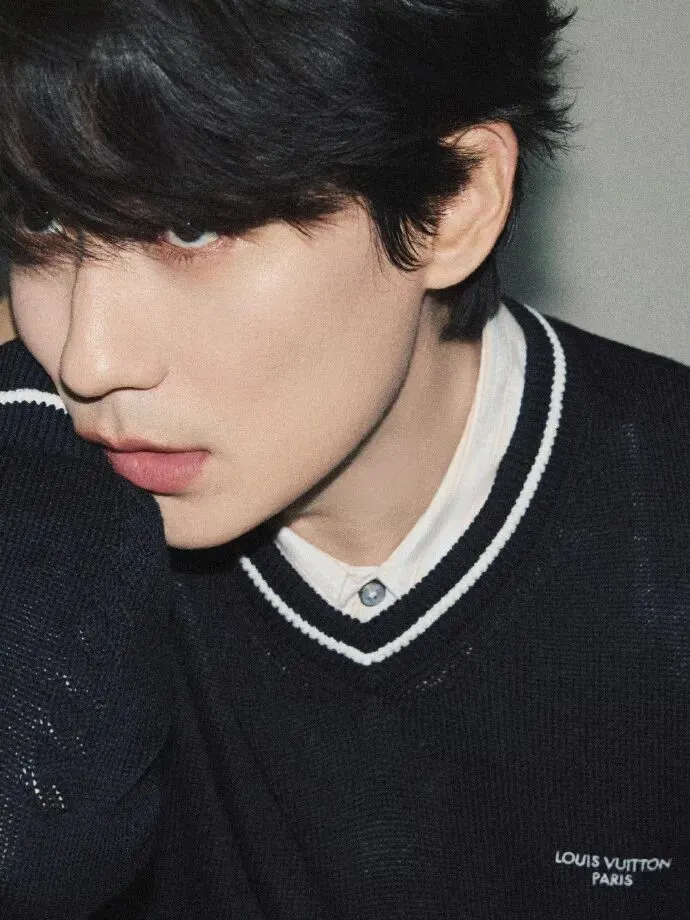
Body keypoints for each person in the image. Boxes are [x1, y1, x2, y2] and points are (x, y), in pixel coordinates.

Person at [0, 1, 687, 917]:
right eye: (41, 219)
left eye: (192, 228)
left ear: (452, 204)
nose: (89, 361)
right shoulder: (39, 485)